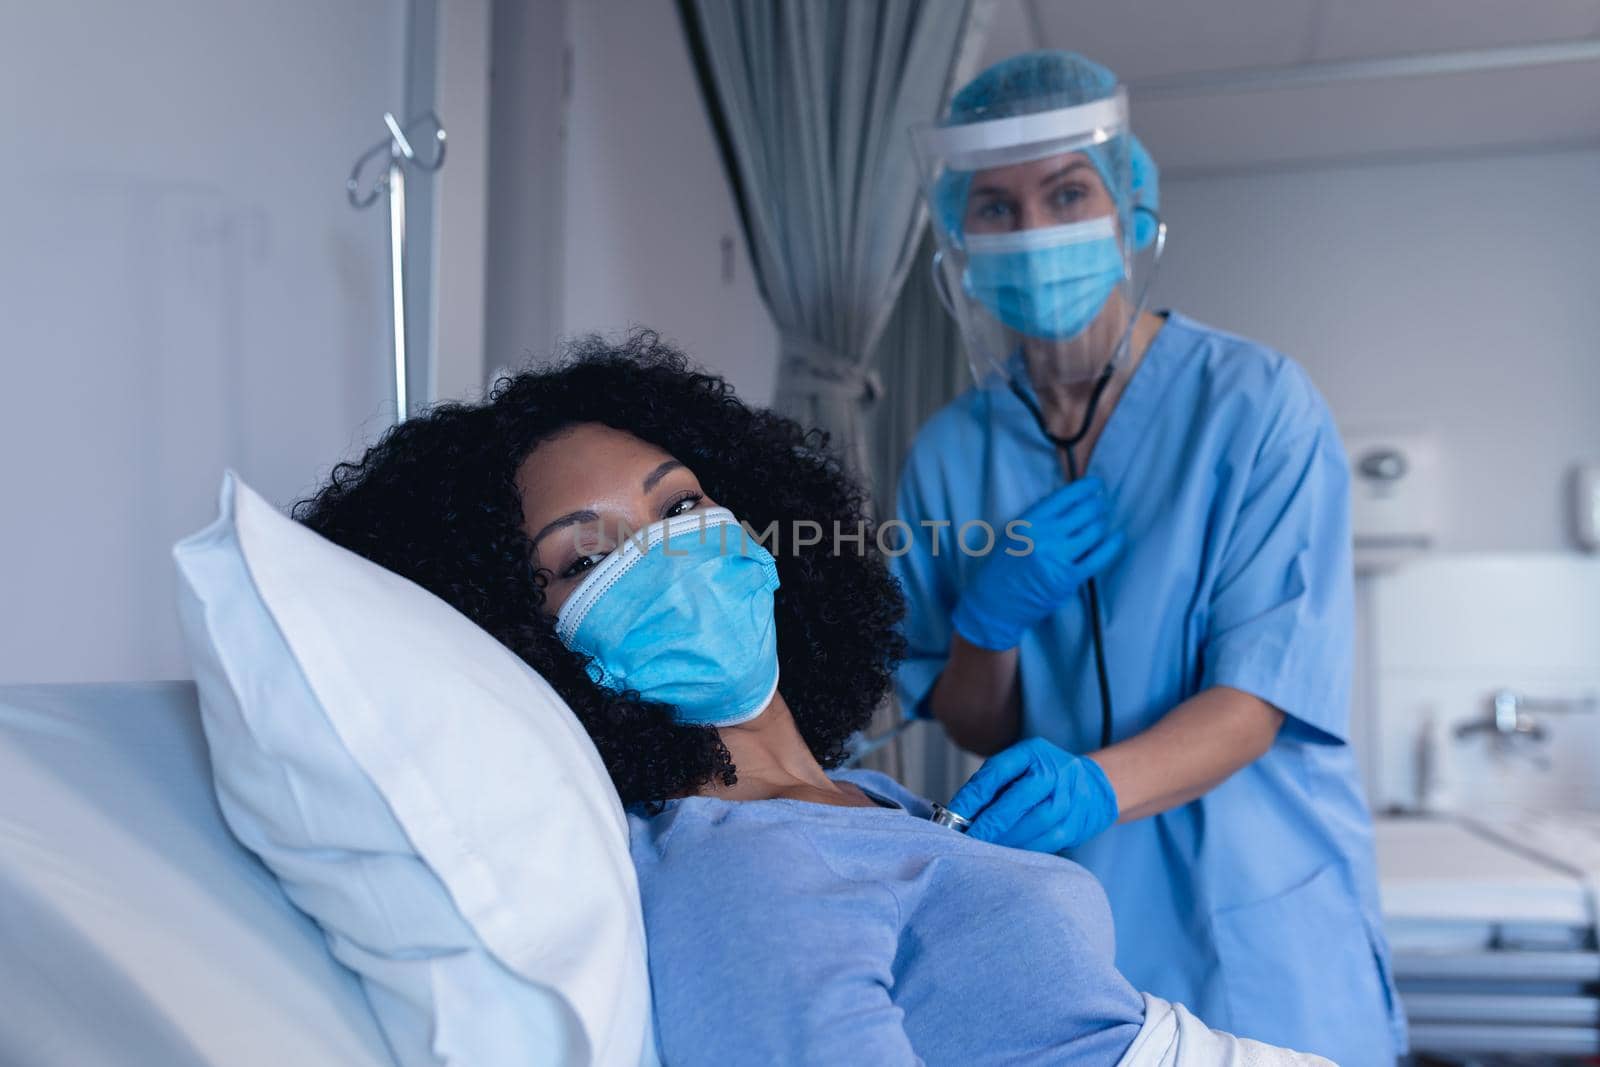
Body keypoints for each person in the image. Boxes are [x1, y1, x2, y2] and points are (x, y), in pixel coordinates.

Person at [296, 334, 1329, 1065]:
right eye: (587, 554)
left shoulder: (861, 800)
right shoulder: (740, 868)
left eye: (683, 502)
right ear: (525, 640)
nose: (667, 551)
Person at [894, 50, 1403, 1064]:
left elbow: (1255, 697)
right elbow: (969, 715)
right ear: (960, 233)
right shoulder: (952, 448)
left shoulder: (1254, 405)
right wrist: (984, 626)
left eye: (1067, 192)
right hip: (1065, 909)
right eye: (995, 205)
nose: (1035, 230)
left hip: (1258, 902)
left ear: (1130, 210)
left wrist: (1087, 787)